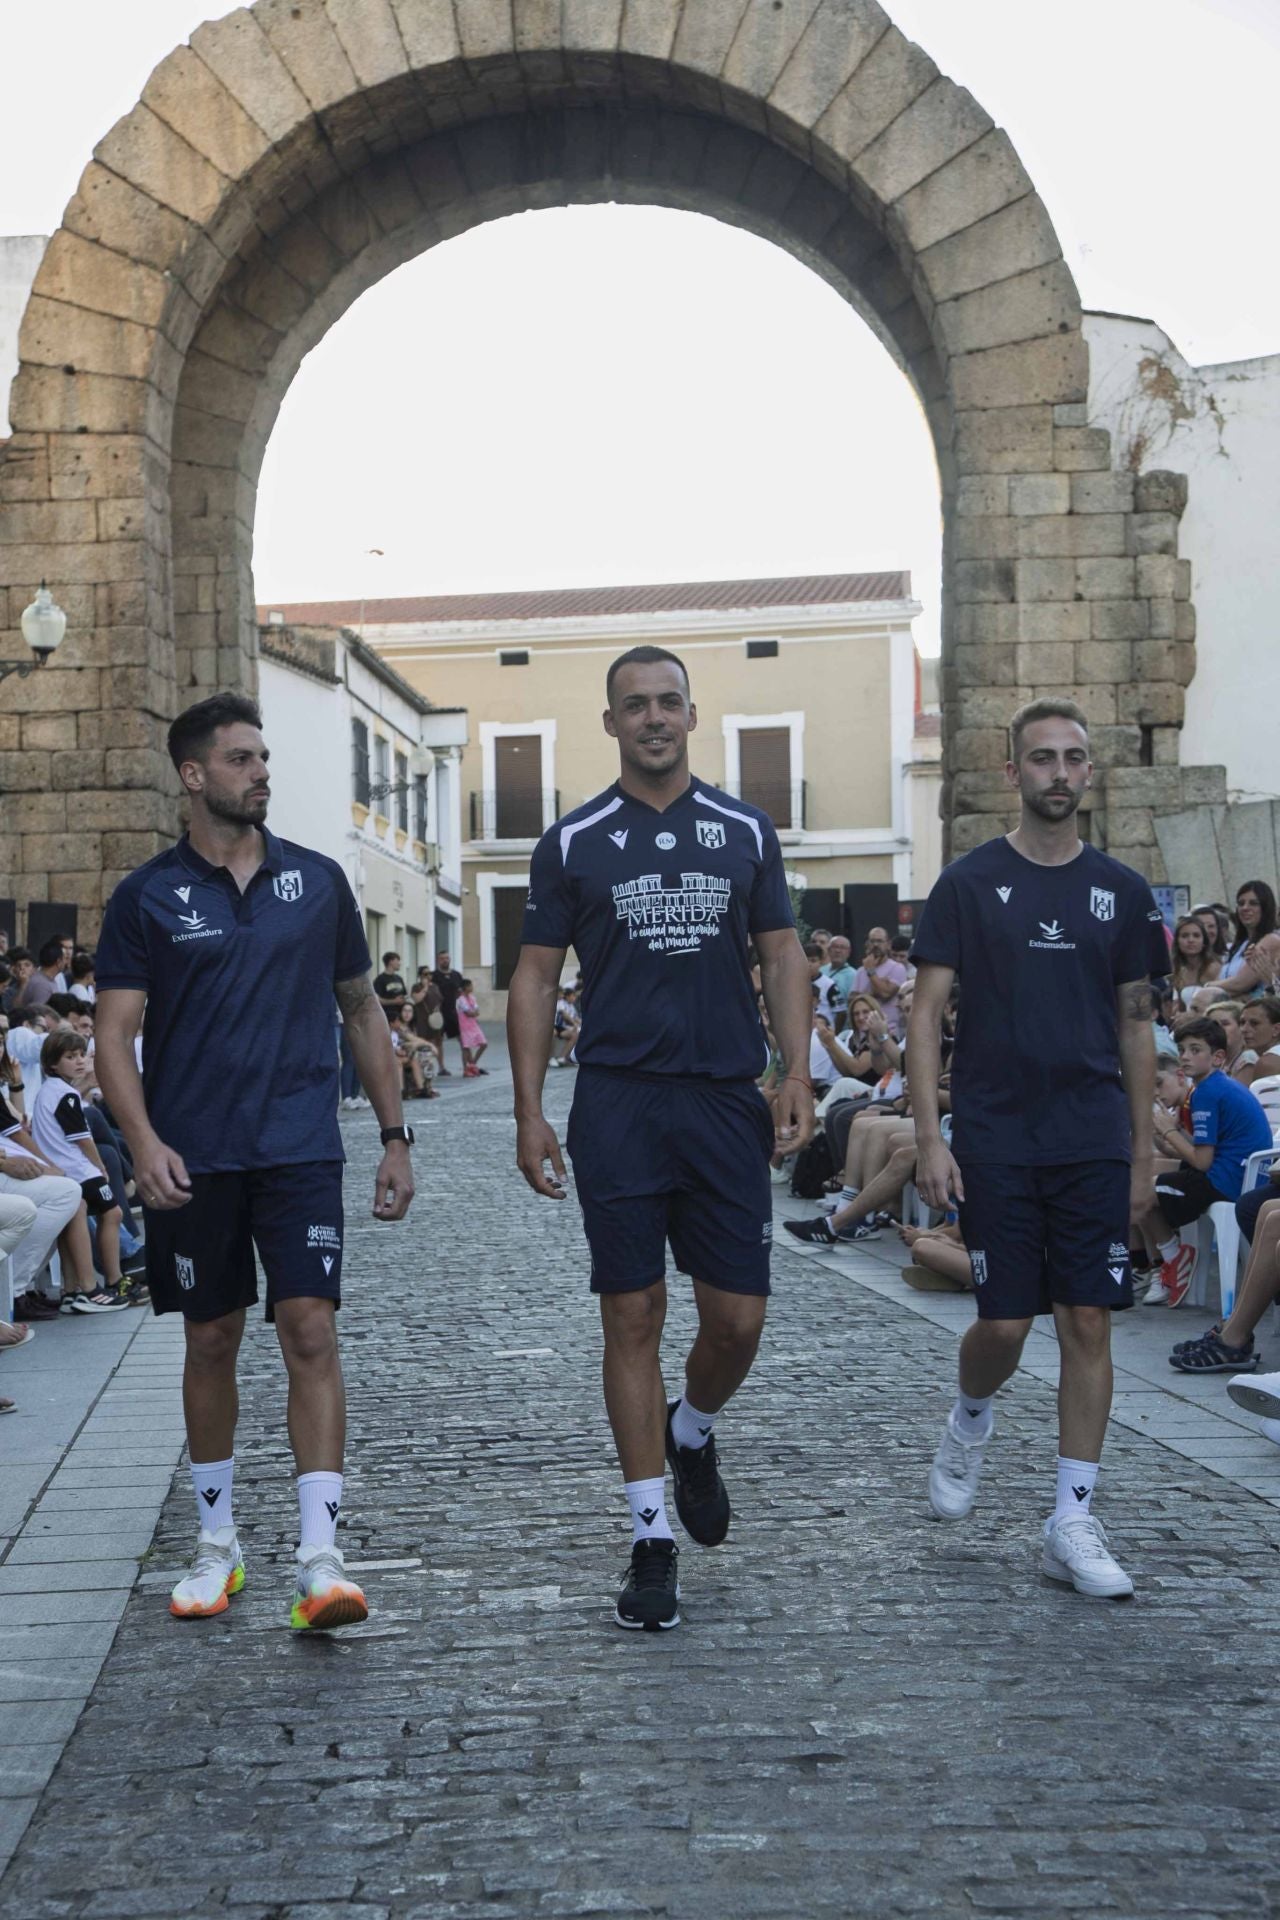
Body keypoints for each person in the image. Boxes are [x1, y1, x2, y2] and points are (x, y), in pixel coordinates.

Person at [94, 692, 416, 1631]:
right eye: (239, 760)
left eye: (263, 758)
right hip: (194, 1158)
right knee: (211, 1338)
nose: (260, 773)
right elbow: (116, 1035)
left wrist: (396, 1137)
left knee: (310, 1330)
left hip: (300, 1149)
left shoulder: (316, 884)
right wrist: (144, 1142)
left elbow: (361, 1009)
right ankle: (216, 1544)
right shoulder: (146, 896)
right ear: (193, 776)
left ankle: (320, 1558)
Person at [507, 644, 812, 1633]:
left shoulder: (742, 830)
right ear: (609, 723)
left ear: (690, 715)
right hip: (620, 1103)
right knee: (631, 1314)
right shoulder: (572, 840)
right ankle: (648, 1538)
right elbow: (534, 977)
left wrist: (794, 1073)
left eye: (666, 702)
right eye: (632, 705)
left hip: (724, 1099)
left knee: (735, 1322)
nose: (651, 718)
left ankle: (693, 1429)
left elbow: (779, 953)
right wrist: (526, 1110)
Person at [909, 696, 1170, 1601]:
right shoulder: (968, 884)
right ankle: (971, 1414)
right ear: (1012, 770)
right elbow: (925, 1014)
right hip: (997, 1134)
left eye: (1074, 758)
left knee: (1087, 1320)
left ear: (1089, 771)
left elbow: (1138, 1030)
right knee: (1005, 1324)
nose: (1060, 773)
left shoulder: (1125, 894)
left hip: (1092, 1136)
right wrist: (928, 1134)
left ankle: (1071, 1519)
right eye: (1043, 758)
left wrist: (1142, 1155)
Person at [1137, 1017, 1274, 1307]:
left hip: (1226, 1183)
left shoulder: (1208, 1092)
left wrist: (1169, 1130)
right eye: (1182, 1049)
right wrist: (1167, 1134)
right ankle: (1169, 1260)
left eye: (1195, 1049)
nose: (1185, 1056)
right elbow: (1194, 1154)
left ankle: (1174, 1258)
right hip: (1236, 1176)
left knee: (1141, 1192)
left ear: (1218, 1057)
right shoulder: (1213, 1087)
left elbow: (1200, 1162)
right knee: (1139, 1176)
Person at [853, 927, 909, 1036]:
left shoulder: (897, 968)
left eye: (879, 941)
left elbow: (885, 993)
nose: (875, 945)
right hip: (863, 1032)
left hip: (889, 1030)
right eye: (872, 941)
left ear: (888, 944)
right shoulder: (860, 971)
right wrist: (876, 989)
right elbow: (852, 1000)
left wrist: (871, 972)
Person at [1170, 914, 1221, 1007]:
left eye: (1196, 936)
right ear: (1177, 941)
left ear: (1204, 941)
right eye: (1185, 936)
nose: (1190, 940)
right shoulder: (1180, 971)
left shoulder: (1213, 968)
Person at [429, 949, 465, 1075]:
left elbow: (462, 992)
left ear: (450, 959)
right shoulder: (433, 976)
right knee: (438, 1040)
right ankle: (441, 1067)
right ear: (438, 960)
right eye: (442, 958)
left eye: (447, 958)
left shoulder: (457, 975)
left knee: (463, 1039)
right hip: (439, 1013)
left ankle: (468, 1066)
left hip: (454, 1012)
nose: (445, 960)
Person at [17, 938, 67, 1011]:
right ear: (58, 961)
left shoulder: (46, 980)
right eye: (64, 958)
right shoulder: (42, 985)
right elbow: (40, 1014)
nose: (66, 962)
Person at [817, 935, 856, 1029]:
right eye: (835, 947)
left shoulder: (854, 975)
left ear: (849, 952)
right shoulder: (820, 971)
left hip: (842, 1029)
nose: (838, 951)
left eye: (842, 947)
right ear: (828, 950)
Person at [456, 980, 488, 1076]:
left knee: (484, 1044)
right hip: (464, 1027)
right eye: (470, 986)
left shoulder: (472, 998)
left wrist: (473, 1013)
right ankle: (465, 1069)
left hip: (474, 1025)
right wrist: (473, 1013)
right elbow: (468, 1013)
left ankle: (472, 1064)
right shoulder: (460, 1000)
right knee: (466, 1047)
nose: (472, 987)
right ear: (465, 987)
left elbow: (476, 1011)